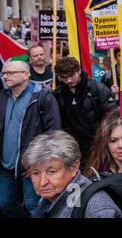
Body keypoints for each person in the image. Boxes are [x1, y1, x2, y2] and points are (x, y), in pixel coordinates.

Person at [0, 61, 61, 217]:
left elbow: (53, 134)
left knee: (33, 206)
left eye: (11, 73)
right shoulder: (2, 96)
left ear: (26, 75)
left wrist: (39, 164)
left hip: (32, 166)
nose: (6, 76)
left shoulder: (43, 97)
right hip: (5, 165)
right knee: (5, 203)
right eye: (4, 73)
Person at [22, 130, 122, 218]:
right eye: (36, 173)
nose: (43, 182)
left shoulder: (98, 210)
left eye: (52, 172)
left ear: (74, 168)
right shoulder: (50, 197)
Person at [53, 57, 117, 167]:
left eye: (71, 76)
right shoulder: (57, 94)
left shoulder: (96, 88)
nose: (69, 80)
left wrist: (104, 137)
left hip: (96, 142)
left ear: (79, 71)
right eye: (64, 77)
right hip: (71, 144)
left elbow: (112, 114)